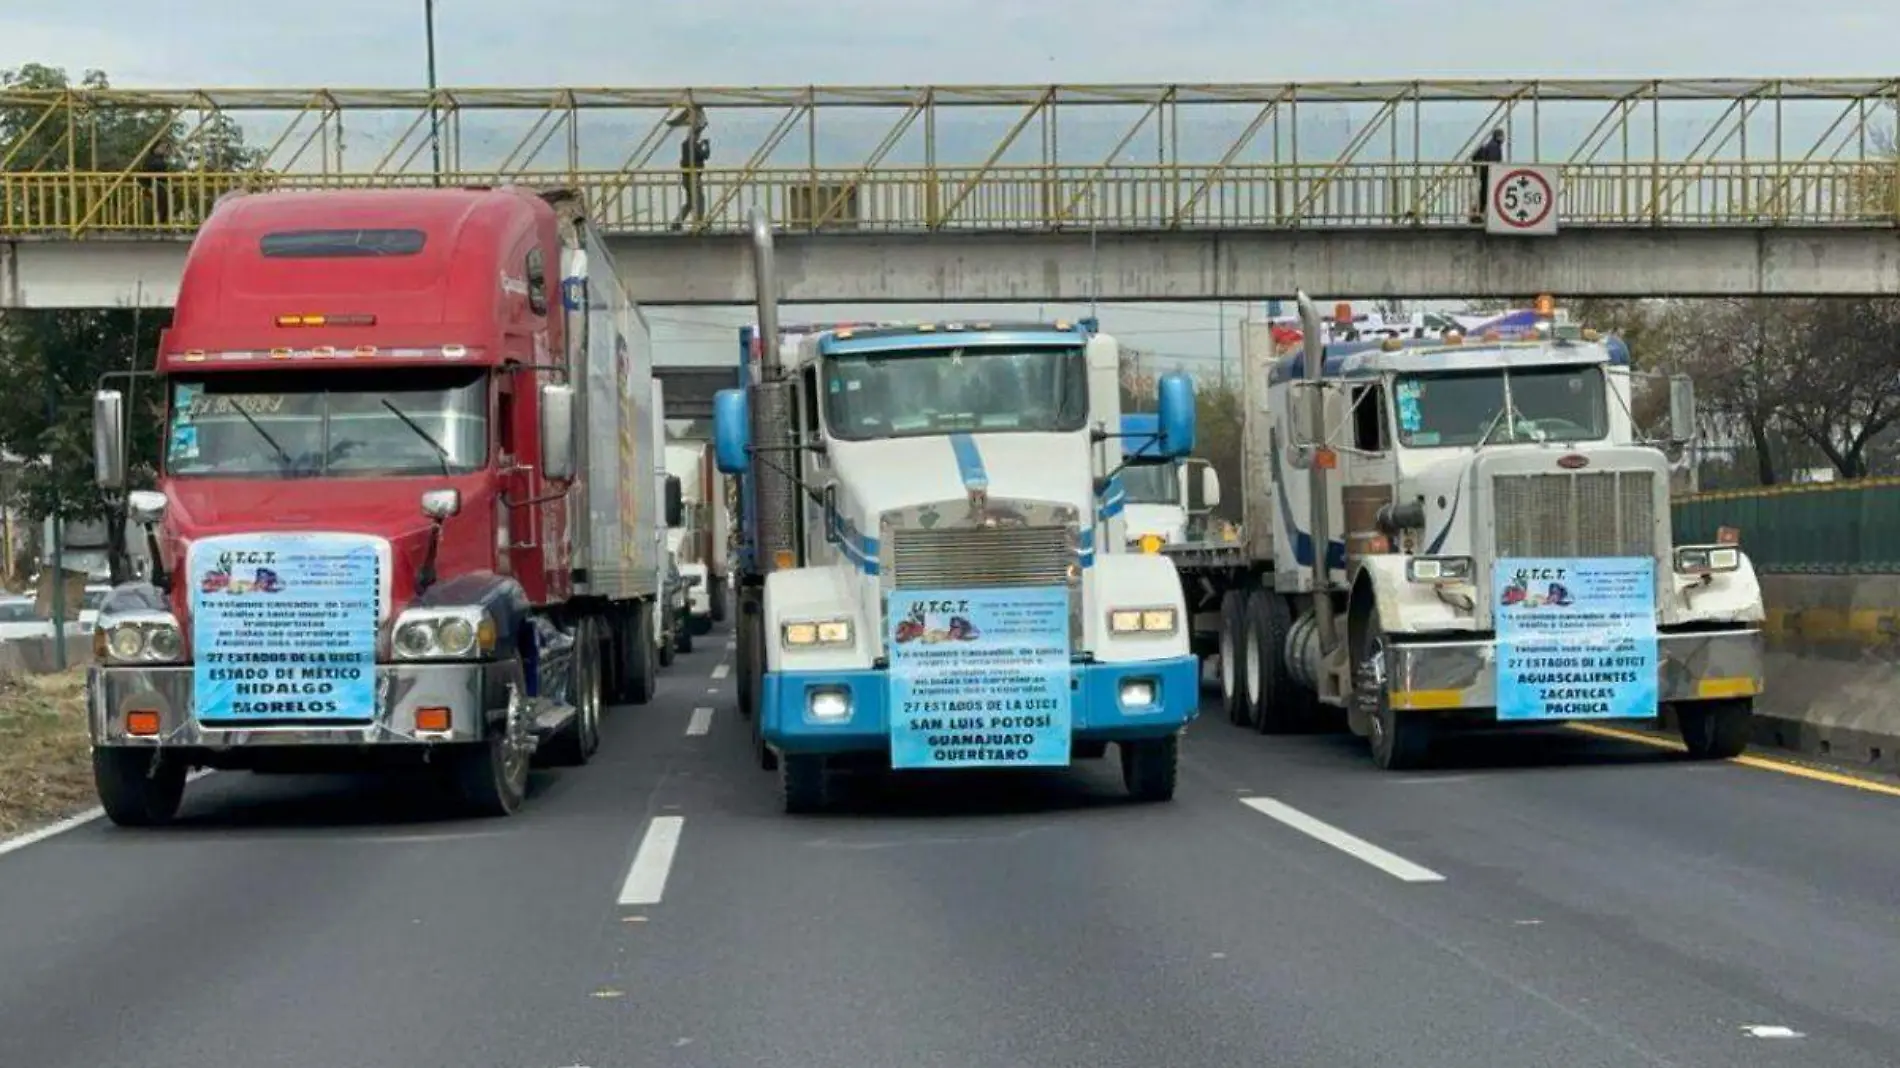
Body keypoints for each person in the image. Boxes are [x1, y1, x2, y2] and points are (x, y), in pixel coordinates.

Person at [671, 107, 710, 231]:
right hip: (693, 177)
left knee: (690, 202)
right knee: (700, 200)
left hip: (687, 177)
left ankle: (678, 221)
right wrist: (706, 146)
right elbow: (704, 156)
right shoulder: (692, 144)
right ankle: (699, 223)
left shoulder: (686, 144)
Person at [1470, 127, 1504, 222]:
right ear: (1498, 137)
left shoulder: (1491, 145)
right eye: (1502, 136)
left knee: (1484, 193)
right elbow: (1493, 161)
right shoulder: (1494, 146)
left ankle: (1477, 213)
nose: (1503, 138)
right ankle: (1477, 214)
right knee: (1485, 194)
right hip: (1489, 175)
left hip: (1485, 174)